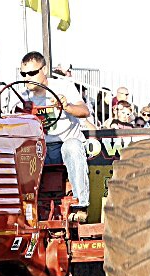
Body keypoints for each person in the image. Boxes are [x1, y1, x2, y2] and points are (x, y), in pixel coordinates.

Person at [18, 51, 91, 222]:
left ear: (44, 70)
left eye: (32, 73)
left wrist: (67, 106)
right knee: (19, 152)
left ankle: (80, 205)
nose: (27, 78)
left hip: (64, 145)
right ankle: (22, 209)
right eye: (23, 74)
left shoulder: (63, 87)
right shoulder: (21, 97)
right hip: (39, 150)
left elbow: (84, 111)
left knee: (72, 146)